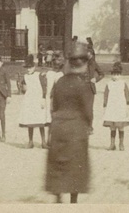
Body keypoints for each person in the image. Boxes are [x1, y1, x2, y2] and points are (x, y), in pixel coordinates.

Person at [45, 42, 94, 204]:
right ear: (83, 65)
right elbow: (88, 110)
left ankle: (58, 195)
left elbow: (55, 106)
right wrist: (89, 124)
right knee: (75, 165)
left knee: (58, 162)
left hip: (58, 127)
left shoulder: (59, 82)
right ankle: (73, 200)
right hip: (75, 128)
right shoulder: (83, 85)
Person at [18, 56, 48, 149]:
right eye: (27, 68)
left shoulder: (39, 75)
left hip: (38, 99)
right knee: (30, 121)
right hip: (29, 100)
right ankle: (30, 141)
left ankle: (43, 142)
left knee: (40, 121)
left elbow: (44, 87)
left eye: (30, 67)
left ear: (34, 67)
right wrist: (23, 88)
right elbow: (23, 88)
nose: (28, 69)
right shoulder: (25, 77)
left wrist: (43, 99)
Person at [102, 62, 129, 151]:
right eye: (114, 74)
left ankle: (121, 144)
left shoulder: (123, 83)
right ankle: (112, 144)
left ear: (120, 75)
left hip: (120, 106)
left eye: (117, 74)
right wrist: (105, 103)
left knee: (120, 125)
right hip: (111, 106)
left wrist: (128, 102)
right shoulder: (109, 83)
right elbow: (106, 94)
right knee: (112, 126)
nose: (115, 76)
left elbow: (127, 93)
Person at [44, 55, 65, 147]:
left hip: (54, 99)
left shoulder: (50, 74)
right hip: (56, 99)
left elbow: (48, 90)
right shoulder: (60, 75)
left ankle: (50, 139)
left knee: (53, 120)